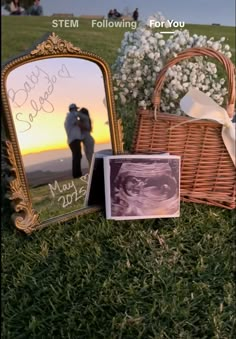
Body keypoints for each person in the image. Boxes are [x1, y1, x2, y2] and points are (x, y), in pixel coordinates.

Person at [64, 103, 83, 179]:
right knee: (77, 156)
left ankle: (77, 174)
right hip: (74, 140)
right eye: (76, 109)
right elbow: (77, 116)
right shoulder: (71, 116)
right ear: (73, 109)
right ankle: (77, 174)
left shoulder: (69, 118)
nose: (77, 110)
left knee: (77, 156)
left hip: (73, 140)